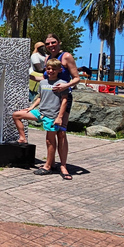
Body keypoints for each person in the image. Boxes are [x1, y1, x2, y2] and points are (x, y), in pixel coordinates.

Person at [12, 58, 71, 179]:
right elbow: (40, 97)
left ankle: (48, 166)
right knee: (16, 115)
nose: (50, 71)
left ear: (59, 70)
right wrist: (31, 107)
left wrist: (59, 117)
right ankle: (22, 138)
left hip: (52, 116)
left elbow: (64, 101)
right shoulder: (43, 83)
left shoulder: (62, 83)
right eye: (48, 69)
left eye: (53, 69)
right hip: (40, 112)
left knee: (50, 141)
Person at [40, 34, 79, 178]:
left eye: (53, 42)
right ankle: (51, 162)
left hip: (63, 99)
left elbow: (77, 78)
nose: (51, 45)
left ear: (59, 42)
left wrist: (66, 86)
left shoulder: (66, 56)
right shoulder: (47, 58)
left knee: (61, 132)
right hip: (50, 100)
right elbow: (45, 78)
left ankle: (63, 166)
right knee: (50, 132)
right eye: (48, 43)